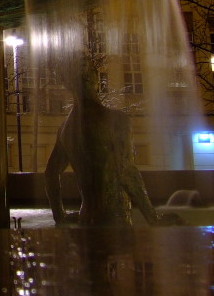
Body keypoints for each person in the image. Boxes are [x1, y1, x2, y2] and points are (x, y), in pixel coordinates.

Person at [45, 57, 177, 226]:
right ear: (95, 77)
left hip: (87, 216)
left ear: (67, 83)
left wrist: (60, 216)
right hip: (114, 216)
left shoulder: (66, 128)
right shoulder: (115, 120)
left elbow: (50, 174)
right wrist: (153, 219)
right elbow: (126, 172)